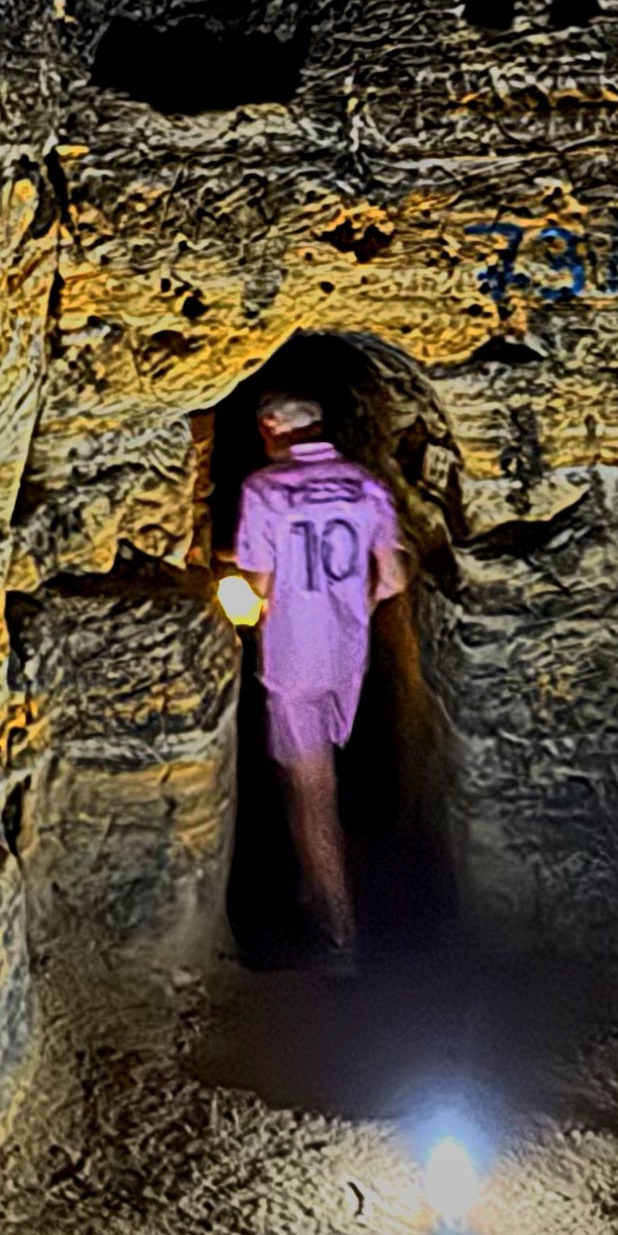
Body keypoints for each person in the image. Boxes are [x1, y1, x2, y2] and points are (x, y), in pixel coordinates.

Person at [229, 388, 404, 973]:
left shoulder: (265, 490)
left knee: (312, 794)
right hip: (348, 653)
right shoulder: (366, 483)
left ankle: (338, 929)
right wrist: (352, 609)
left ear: (273, 426)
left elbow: (255, 585)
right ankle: (317, 883)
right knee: (321, 775)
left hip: (294, 659)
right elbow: (395, 580)